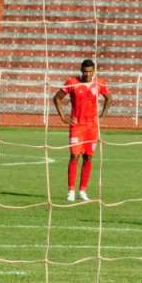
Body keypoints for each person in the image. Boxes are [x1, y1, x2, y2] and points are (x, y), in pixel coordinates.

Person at [52, 59, 110, 202]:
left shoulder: (100, 83)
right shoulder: (72, 82)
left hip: (92, 127)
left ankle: (82, 190)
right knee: (74, 156)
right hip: (77, 126)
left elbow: (109, 98)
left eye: (90, 71)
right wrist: (63, 117)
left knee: (88, 157)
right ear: (81, 70)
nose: (87, 74)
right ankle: (71, 190)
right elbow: (57, 98)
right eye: (85, 71)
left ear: (94, 71)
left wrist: (102, 115)